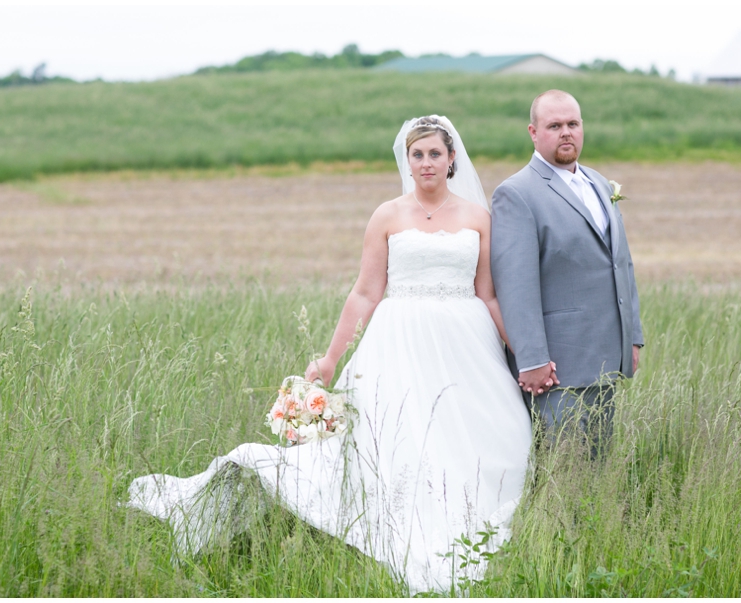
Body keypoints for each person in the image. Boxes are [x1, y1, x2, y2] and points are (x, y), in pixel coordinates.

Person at [125, 116, 535, 594]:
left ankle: (467, 519)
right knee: (396, 439)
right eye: (417, 154)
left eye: (434, 154)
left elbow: (487, 294)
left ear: (452, 160)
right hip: (398, 341)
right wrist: (329, 359)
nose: (426, 163)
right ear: (408, 160)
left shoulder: (475, 217)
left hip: (467, 343)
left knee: (490, 434)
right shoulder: (387, 216)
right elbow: (364, 293)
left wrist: (523, 354)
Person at [490, 90, 644, 456]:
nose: (566, 133)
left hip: (606, 358)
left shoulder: (599, 183)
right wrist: (532, 360)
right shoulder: (516, 193)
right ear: (533, 132)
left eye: (572, 124)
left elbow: (621, 262)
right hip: (557, 369)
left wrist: (632, 338)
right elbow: (516, 286)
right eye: (554, 125)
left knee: (598, 469)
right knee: (561, 472)